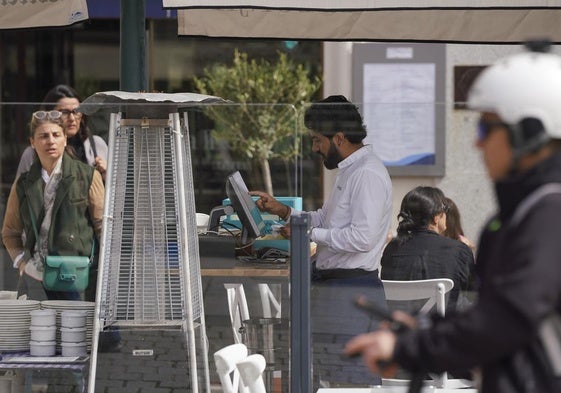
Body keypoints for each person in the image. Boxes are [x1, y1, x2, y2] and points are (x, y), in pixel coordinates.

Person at [345, 42, 561, 393]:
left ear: (530, 136)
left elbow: (509, 318)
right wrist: (426, 332)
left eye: (485, 130)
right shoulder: (519, 214)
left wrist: (412, 347)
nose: (477, 144)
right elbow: (491, 313)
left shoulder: (550, 214)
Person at [251, 95, 393, 387]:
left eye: (318, 140)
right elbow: (326, 220)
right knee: (332, 378)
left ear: (339, 138)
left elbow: (362, 238)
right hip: (339, 289)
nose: (315, 148)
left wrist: (306, 232)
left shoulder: (366, 174)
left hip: (351, 290)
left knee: (349, 384)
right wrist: (284, 211)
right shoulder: (352, 170)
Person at [2, 110, 104, 301]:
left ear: (65, 139)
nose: (50, 141)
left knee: (75, 329)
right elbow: (10, 232)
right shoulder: (23, 183)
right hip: (35, 276)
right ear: (32, 142)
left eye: (56, 135)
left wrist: (107, 270)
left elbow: (103, 227)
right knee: (36, 330)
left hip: (77, 274)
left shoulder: (88, 176)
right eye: (43, 136)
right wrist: (22, 263)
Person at [380, 186, 475, 312]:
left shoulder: (391, 249)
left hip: (401, 326)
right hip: (442, 327)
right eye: (445, 209)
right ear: (436, 217)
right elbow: (473, 294)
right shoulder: (459, 250)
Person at [16, 84, 108, 180]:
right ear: (49, 114)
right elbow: (20, 191)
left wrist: (107, 174)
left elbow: (117, 187)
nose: (72, 118)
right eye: (64, 112)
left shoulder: (96, 145)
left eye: (77, 111)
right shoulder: (33, 152)